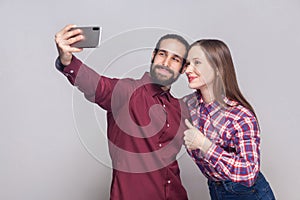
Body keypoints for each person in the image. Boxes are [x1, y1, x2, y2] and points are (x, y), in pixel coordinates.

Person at [54, 24, 190, 200]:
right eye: (162, 54)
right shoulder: (126, 92)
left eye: (175, 59)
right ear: (153, 56)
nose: (165, 63)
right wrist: (67, 61)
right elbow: (94, 84)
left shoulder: (181, 109)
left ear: (183, 68)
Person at [182, 39, 275, 199]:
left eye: (197, 62)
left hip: (247, 193)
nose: (188, 69)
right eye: (188, 63)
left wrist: (204, 145)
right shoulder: (187, 105)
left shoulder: (240, 116)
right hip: (216, 189)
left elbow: (249, 173)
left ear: (218, 68)